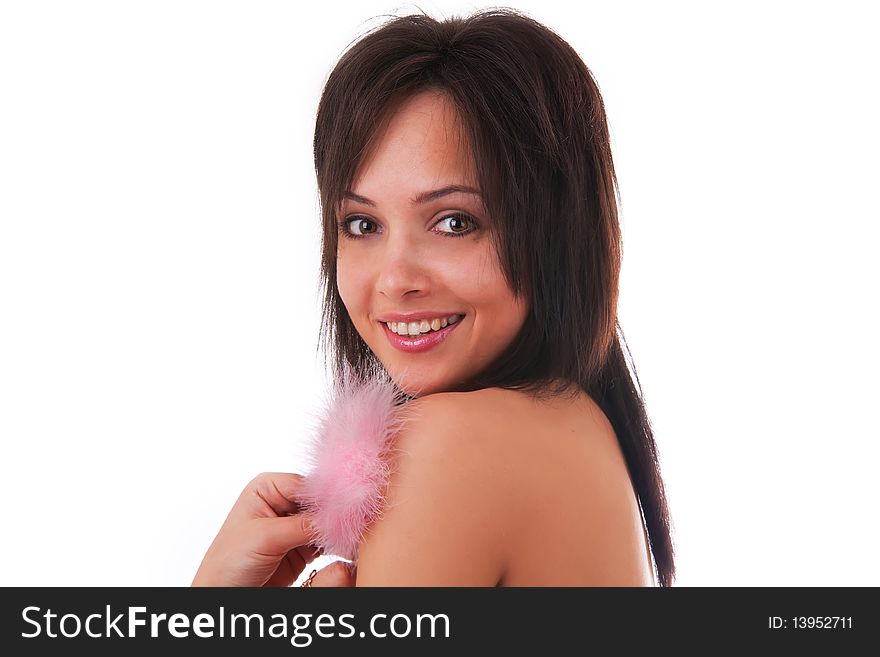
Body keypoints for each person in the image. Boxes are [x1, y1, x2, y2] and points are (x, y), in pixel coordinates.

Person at [193, 7, 676, 587]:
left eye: (454, 222)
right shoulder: (581, 423)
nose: (395, 280)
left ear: (556, 233)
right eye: (362, 224)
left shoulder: (449, 445)